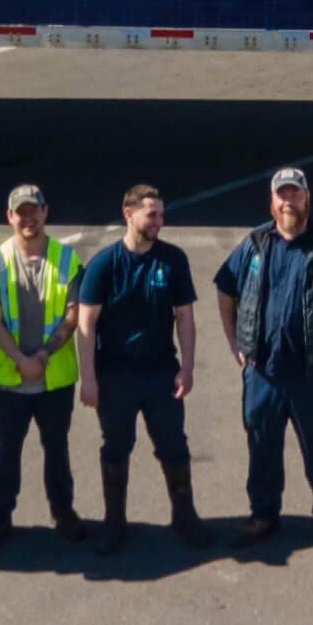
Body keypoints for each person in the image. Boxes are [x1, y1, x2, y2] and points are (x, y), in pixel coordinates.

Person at [214, 166, 313, 554]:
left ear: (307, 200)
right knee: (262, 446)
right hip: (262, 373)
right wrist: (233, 338)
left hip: (311, 374)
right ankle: (263, 514)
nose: (289, 201)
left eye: (295, 194)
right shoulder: (254, 243)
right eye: (282, 195)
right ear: (272, 202)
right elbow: (226, 287)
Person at [73, 183, 212, 554]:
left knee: (173, 448)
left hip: (160, 375)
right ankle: (114, 523)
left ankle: (185, 517)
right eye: (152, 214)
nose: (159, 221)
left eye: (161, 214)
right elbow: (86, 324)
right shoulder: (104, 264)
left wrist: (187, 367)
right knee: (115, 449)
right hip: (114, 377)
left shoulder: (173, 260)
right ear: (128, 214)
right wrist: (88, 378)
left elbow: (185, 316)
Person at [0, 184, 87, 554]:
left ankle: (63, 511)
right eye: (20, 212)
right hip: (10, 378)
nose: (28, 218)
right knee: (8, 451)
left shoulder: (69, 261)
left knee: (57, 448)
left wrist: (43, 356)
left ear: (45, 212)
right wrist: (23, 361)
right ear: (10, 217)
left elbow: (72, 316)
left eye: (33, 210)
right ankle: (0, 516)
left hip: (55, 378)